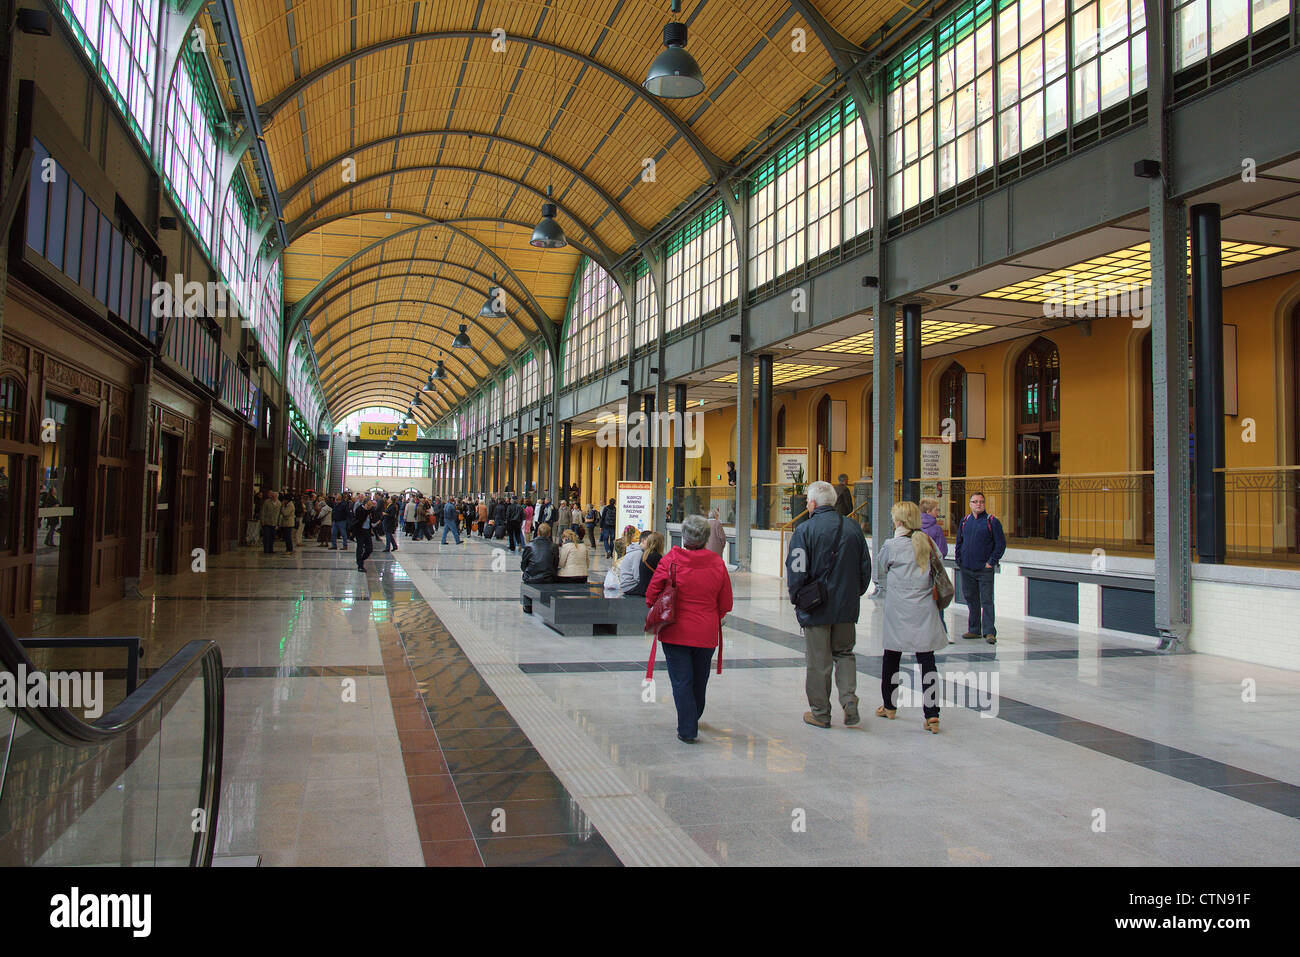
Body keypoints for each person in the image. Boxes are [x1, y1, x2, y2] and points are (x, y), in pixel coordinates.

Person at [784, 480, 871, 729]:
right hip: (846, 606)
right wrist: (854, 594)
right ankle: (849, 699)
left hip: (816, 607)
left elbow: (797, 571)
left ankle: (821, 713)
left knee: (819, 661)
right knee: (844, 653)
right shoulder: (853, 528)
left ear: (812, 503)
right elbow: (865, 569)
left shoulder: (804, 530)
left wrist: (798, 599)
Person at [645, 514, 733, 744]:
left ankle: (687, 727)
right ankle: (693, 716)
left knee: (682, 680)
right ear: (705, 538)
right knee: (699, 679)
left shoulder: (670, 560)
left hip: (675, 632)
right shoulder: (717, 563)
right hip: (706, 633)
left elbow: (651, 595)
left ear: (683, 537)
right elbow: (726, 604)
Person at [873, 502, 947, 733]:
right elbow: (940, 567)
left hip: (898, 611)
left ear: (899, 521)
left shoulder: (891, 545)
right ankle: (932, 715)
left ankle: (890, 706)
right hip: (924, 611)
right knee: (927, 661)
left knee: (891, 657)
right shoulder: (929, 543)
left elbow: (880, 571)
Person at [954, 491, 1005, 645]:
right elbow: (959, 542)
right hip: (967, 568)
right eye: (975, 501)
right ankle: (974, 629)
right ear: (970, 504)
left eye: (981, 501)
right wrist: (959, 560)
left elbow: (1000, 545)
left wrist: (991, 562)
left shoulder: (992, 522)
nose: (978, 504)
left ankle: (989, 632)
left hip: (984, 569)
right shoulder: (965, 521)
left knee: (987, 600)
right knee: (971, 598)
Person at [919, 496, 951, 642]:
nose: (937, 512)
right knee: (938, 599)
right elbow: (942, 550)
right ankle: (942, 631)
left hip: (918, 569)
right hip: (933, 570)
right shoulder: (936, 528)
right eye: (936, 510)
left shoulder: (916, 527)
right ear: (929, 511)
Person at [625, 531, 664, 598]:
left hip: (642, 588)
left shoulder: (645, 554)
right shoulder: (656, 556)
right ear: (660, 543)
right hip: (649, 589)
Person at [617, 529, 647, 595]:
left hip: (627, 585)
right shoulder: (638, 553)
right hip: (630, 586)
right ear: (643, 541)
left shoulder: (635, 550)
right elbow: (637, 576)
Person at [353, 496, 376, 571]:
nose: (370, 507)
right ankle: (360, 565)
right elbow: (359, 520)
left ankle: (361, 559)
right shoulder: (359, 509)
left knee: (369, 548)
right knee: (360, 548)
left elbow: (371, 519)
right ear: (365, 504)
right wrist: (366, 511)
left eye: (371, 505)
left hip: (367, 531)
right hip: (360, 531)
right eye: (368, 505)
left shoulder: (370, 510)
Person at [259, 490, 281, 554]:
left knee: (272, 537)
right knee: (266, 536)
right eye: (273, 496)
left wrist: (278, 524)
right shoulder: (267, 502)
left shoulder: (279, 503)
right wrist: (262, 521)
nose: (274, 497)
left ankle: (271, 549)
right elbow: (263, 511)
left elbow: (280, 515)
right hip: (267, 522)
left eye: (276, 496)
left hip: (274, 523)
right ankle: (266, 549)